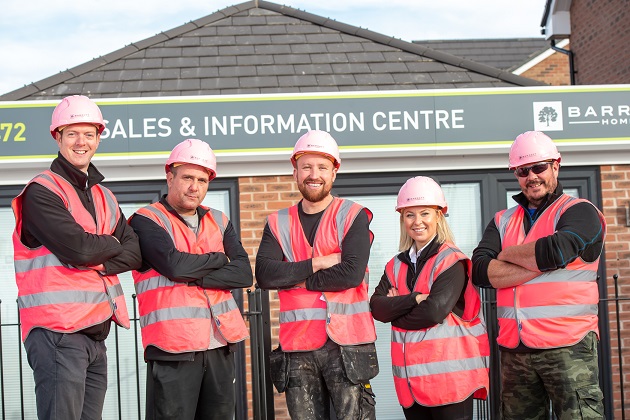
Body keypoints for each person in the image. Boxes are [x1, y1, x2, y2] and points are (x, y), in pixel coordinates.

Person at [11, 95, 141, 420]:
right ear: (57, 137)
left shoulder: (104, 196)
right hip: (58, 334)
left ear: (98, 138)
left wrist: (97, 255)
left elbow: (135, 252)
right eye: (72, 133)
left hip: (95, 338)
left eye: (88, 134)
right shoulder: (42, 191)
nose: (81, 142)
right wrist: (109, 244)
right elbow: (78, 249)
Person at [472, 131, 607, 419]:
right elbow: (481, 272)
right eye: (522, 170)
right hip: (515, 351)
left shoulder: (580, 211)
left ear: (556, 166)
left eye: (539, 167)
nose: (531, 176)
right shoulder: (502, 220)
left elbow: (557, 251)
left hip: (569, 346)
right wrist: (537, 260)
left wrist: (505, 254)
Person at [256, 130, 378, 420]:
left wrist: (295, 281)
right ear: (295, 172)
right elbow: (265, 276)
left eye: (322, 167)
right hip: (298, 346)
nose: (314, 174)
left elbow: (350, 274)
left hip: (347, 344)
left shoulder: (353, 215)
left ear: (334, 172)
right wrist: (319, 262)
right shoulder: (277, 222)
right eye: (307, 167)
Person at [129, 138, 252, 420]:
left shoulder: (219, 220)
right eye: (187, 177)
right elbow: (174, 266)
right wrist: (220, 259)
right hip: (173, 348)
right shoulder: (147, 220)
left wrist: (195, 275)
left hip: (219, 343)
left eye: (202, 180)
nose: (194, 187)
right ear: (170, 177)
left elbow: (244, 273)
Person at [370, 176, 489, 420]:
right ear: (402, 219)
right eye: (409, 215)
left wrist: (395, 311)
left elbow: (434, 312)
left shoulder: (451, 261)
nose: (417, 222)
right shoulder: (394, 265)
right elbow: (377, 309)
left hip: (451, 384)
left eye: (425, 213)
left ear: (438, 216)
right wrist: (413, 299)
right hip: (411, 387)